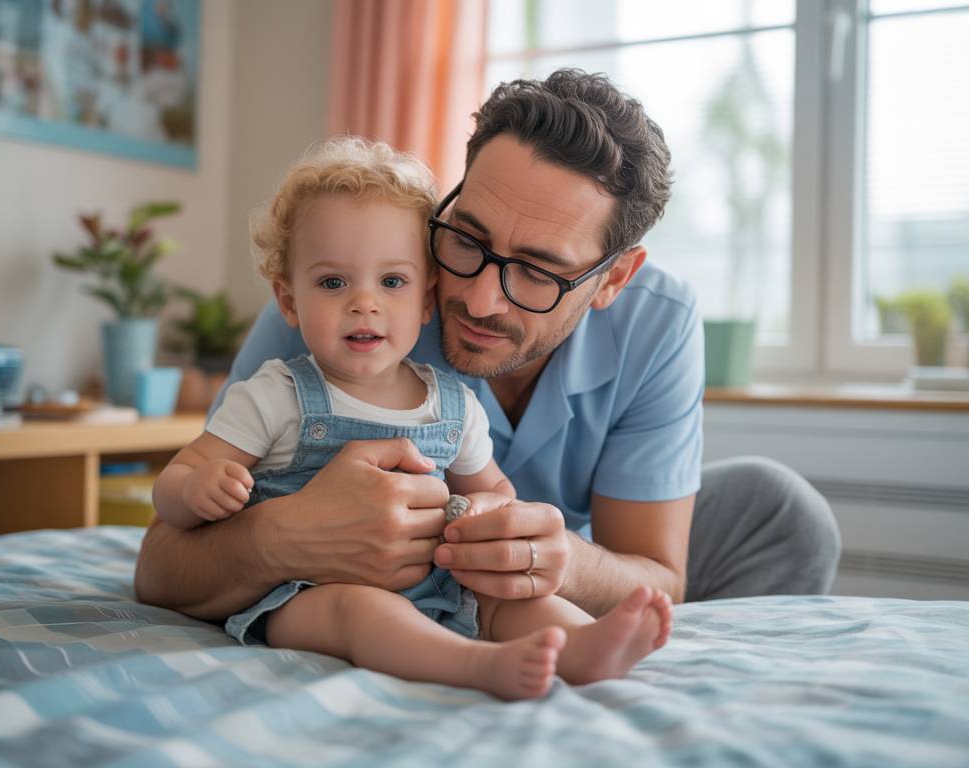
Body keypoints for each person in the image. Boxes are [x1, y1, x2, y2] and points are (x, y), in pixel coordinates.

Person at [135, 69, 840, 634]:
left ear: (613, 279)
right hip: (365, 585)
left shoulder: (658, 321)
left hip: (552, 554)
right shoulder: (350, 299)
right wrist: (286, 538)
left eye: (537, 270)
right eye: (467, 239)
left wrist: (561, 560)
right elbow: (162, 566)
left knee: (784, 510)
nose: (477, 299)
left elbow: (659, 571)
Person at [151, 137, 673, 700]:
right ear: (289, 300)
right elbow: (176, 496)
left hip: (435, 578)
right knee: (359, 609)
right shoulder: (277, 391)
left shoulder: (449, 403)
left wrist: (492, 517)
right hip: (308, 591)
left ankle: (582, 647)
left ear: (422, 296)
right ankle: (473, 666)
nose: (364, 303)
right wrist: (200, 490)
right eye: (333, 283)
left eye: (392, 283)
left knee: (511, 601)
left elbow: (495, 489)